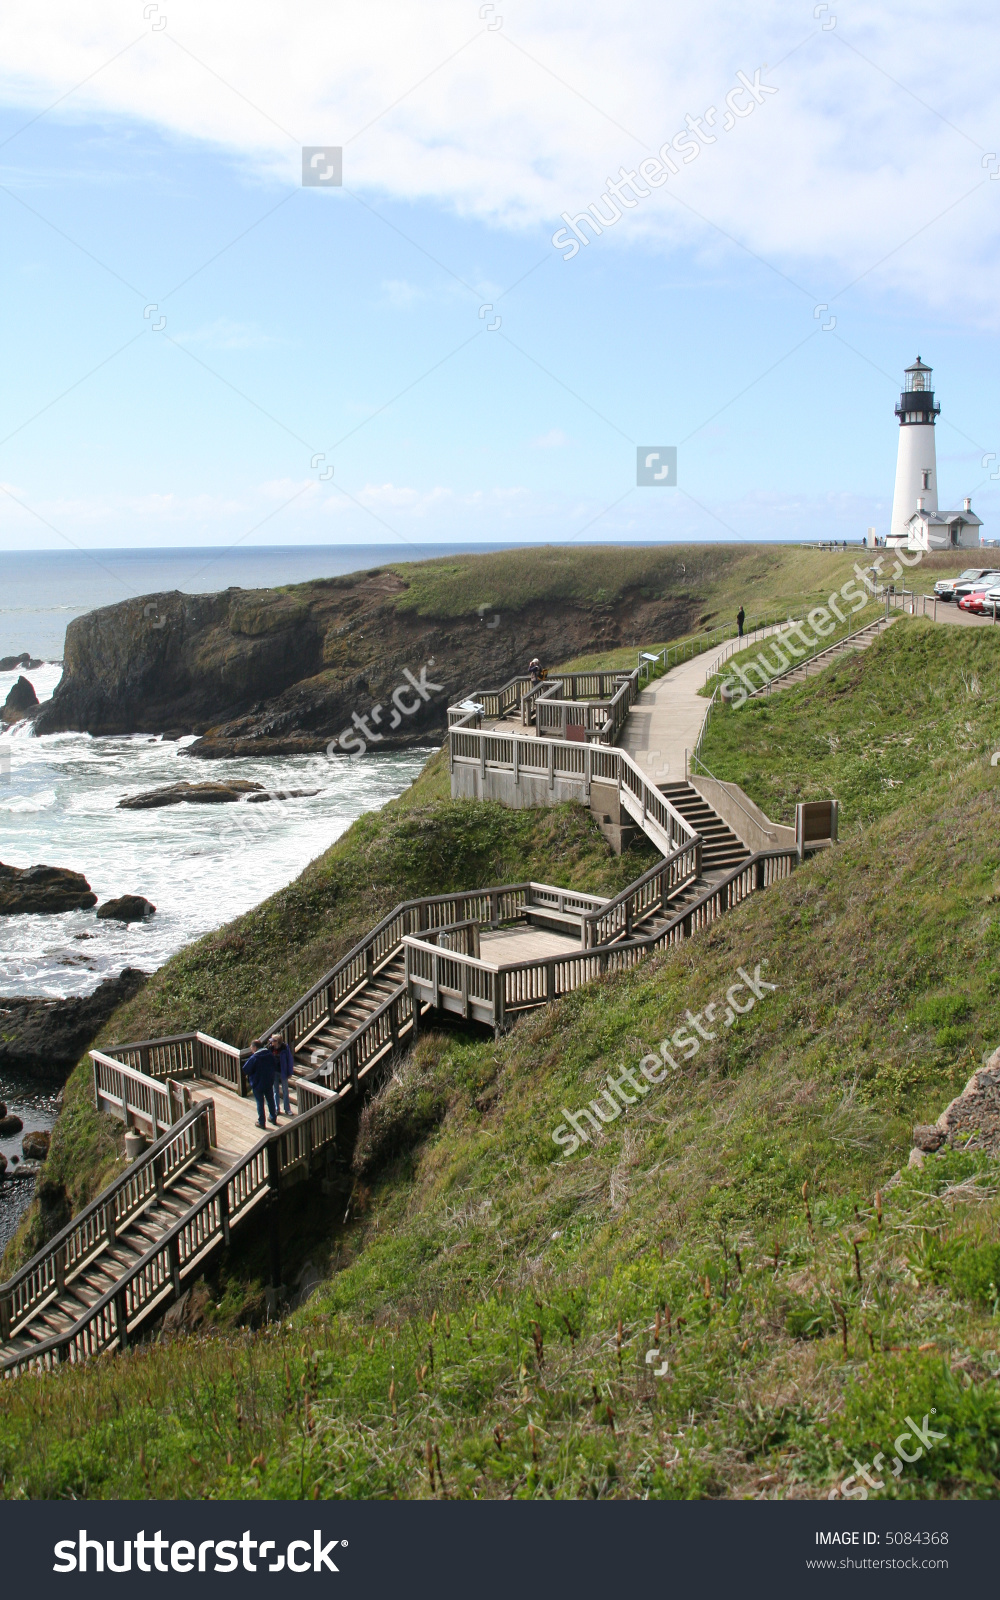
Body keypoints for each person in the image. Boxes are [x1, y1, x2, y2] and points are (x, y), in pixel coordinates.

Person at [243, 1038, 279, 1130]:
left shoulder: (254, 1058)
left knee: (260, 1102)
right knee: (270, 1100)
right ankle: (273, 1117)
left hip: (257, 1083)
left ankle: (261, 1122)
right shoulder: (270, 1055)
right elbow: (275, 1064)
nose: (251, 1049)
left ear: (255, 1048)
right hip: (268, 1081)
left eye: (251, 1047)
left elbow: (246, 1069)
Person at [270, 1032, 295, 1116]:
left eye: (273, 1040)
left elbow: (289, 1060)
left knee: (285, 1091)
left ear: (277, 1041)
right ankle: (277, 1109)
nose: (271, 1042)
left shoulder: (284, 1048)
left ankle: (287, 1109)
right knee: (275, 1091)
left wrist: (290, 1071)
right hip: (274, 1072)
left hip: (283, 1071)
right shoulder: (270, 1048)